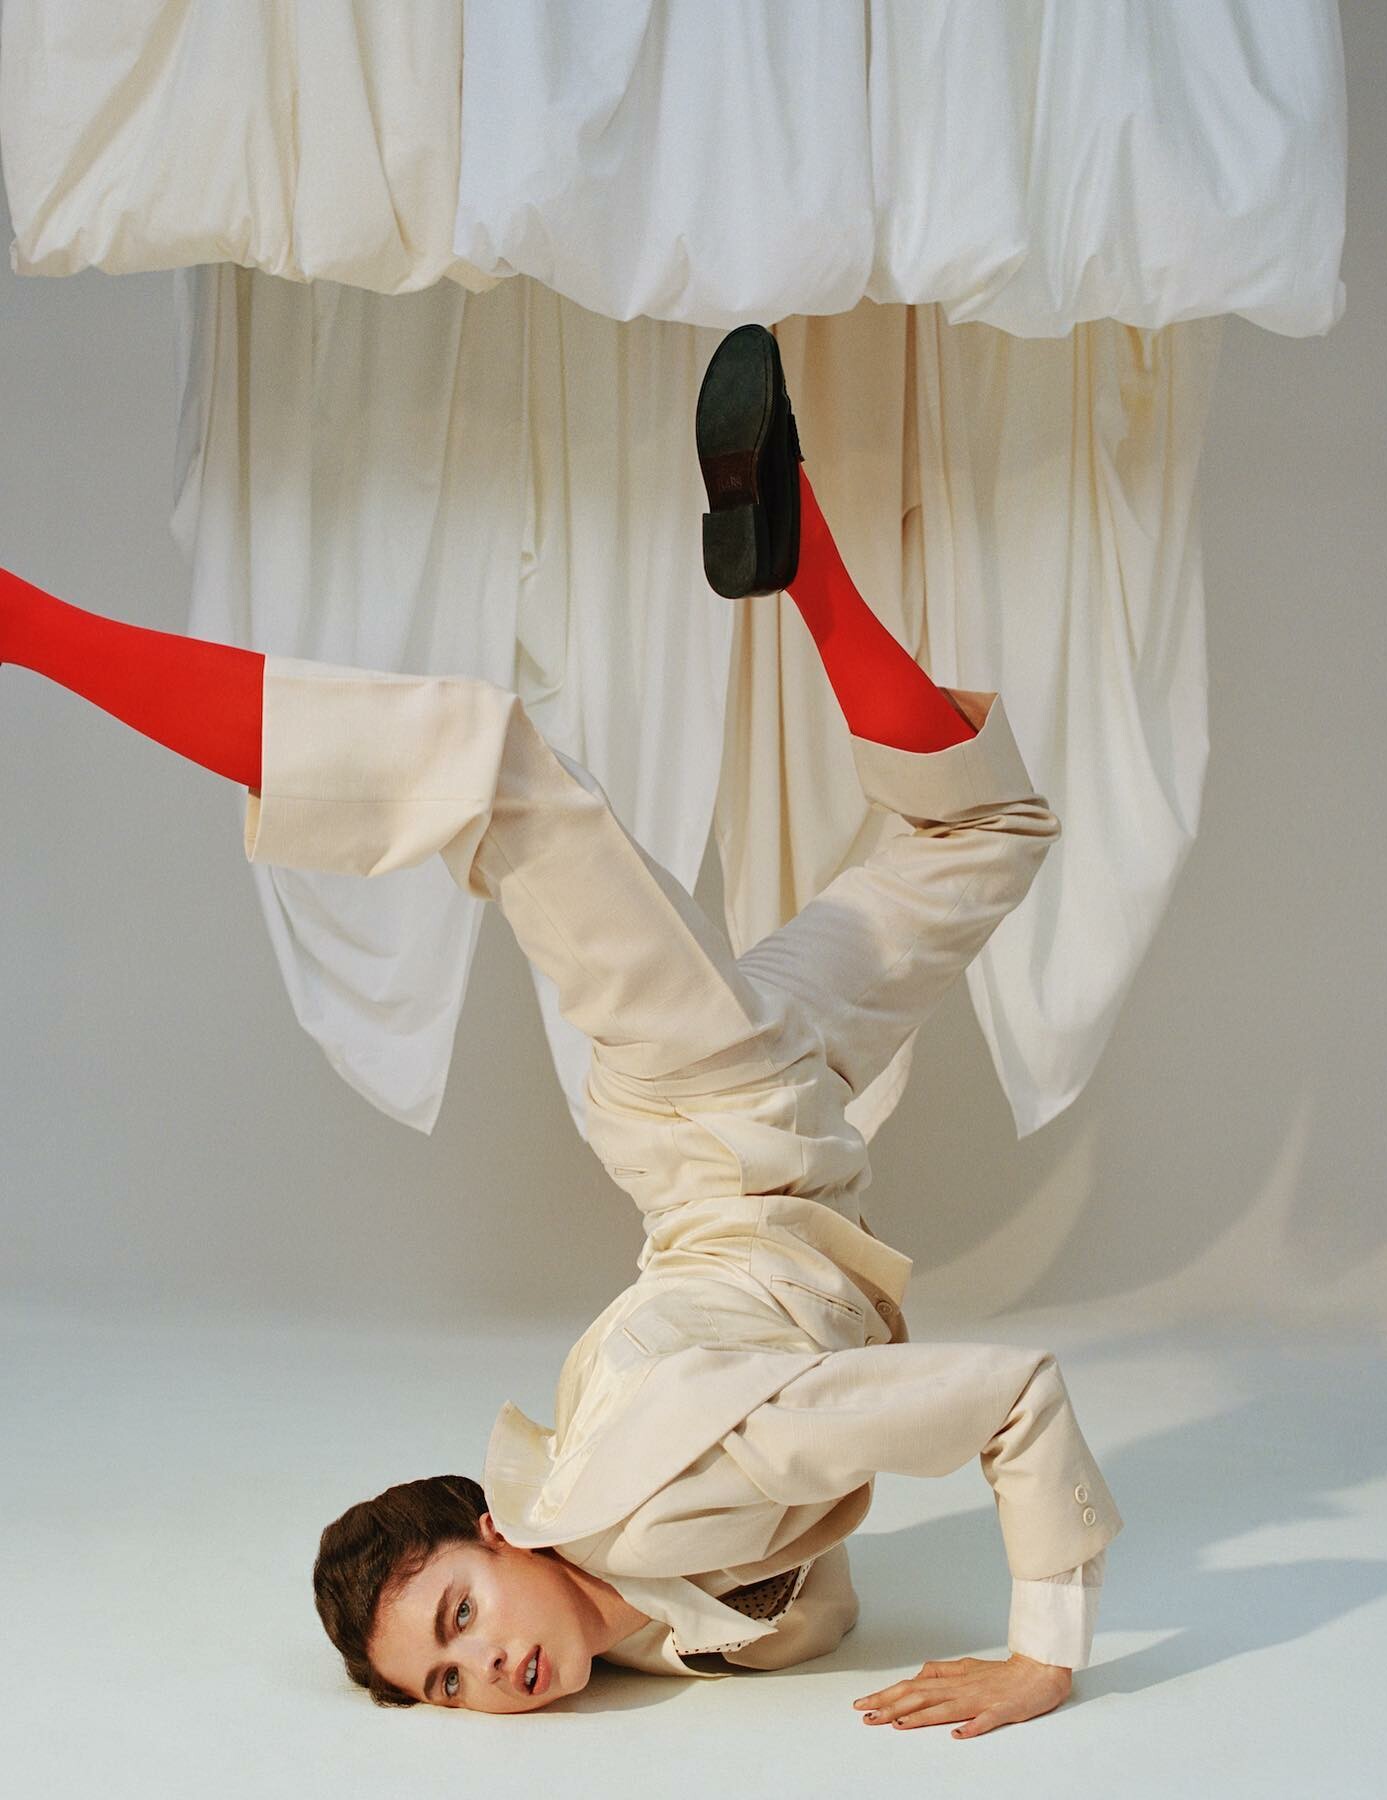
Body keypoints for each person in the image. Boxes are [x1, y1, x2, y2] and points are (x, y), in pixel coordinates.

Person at [1, 324, 1122, 1741]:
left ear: (497, 1528)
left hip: (717, 1112)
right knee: (984, 825)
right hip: (774, 1129)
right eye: (446, 1681)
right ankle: (797, 543)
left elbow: (1011, 1397)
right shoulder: (657, 1620)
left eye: (458, 1616)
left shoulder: (644, 1505)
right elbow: (808, 1582)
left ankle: (19, 623)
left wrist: (1041, 1653)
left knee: (494, 773)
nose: (488, 1673)